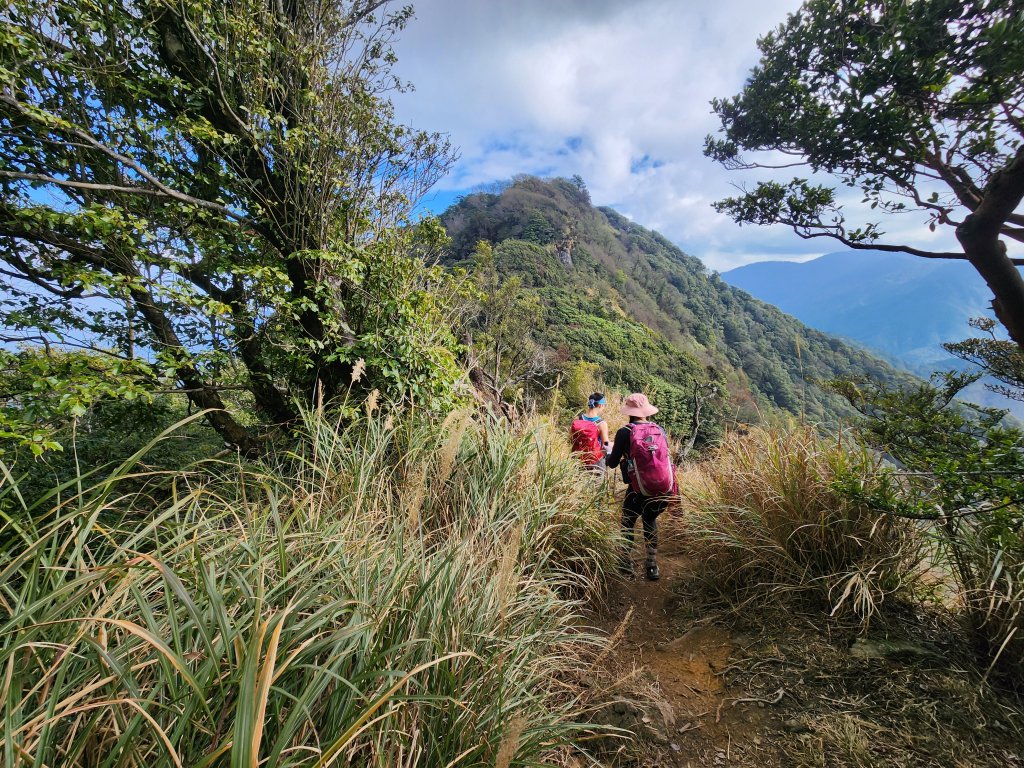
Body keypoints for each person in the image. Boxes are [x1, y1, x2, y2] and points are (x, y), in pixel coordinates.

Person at [606, 392, 677, 581]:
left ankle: (626, 561)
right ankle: (652, 565)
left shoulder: (625, 432)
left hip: (637, 490)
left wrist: (608, 455)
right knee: (650, 519)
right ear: (646, 411)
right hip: (662, 488)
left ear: (629, 412)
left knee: (628, 520)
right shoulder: (659, 430)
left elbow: (613, 463)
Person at [570, 392, 611, 472]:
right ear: (600, 405)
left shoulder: (578, 419)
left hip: (578, 460)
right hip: (595, 461)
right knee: (596, 484)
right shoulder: (601, 423)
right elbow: (605, 444)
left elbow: (571, 439)